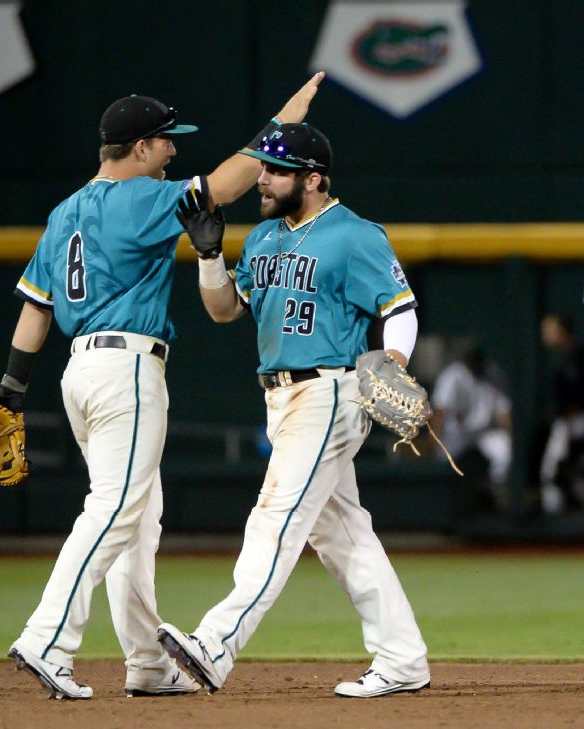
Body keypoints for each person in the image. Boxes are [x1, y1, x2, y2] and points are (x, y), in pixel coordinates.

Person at [1, 76, 324, 700]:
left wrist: (11, 385)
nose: (173, 152)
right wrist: (284, 119)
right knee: (117, 510)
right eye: (166, 142)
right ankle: (48, 636)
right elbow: (228, 183)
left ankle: (147, 665)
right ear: (141, 147)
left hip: (78, 374)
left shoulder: (65, 211)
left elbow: (36, 306)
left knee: (138, 521)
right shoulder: (139, 198)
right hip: (126, 370)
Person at [156, 123, 431, 699]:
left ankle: (215, 641)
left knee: (275, 520)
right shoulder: (262, 238)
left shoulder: (354, 235)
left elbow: (399, 307)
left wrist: (393, 359)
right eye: (263, 167)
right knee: (344, 535)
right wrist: (209, 255)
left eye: (275, 170)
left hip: (330, 392)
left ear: (313, 178)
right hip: (279, 397)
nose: (262, 177)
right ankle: (403, 659)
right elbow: (226, 311)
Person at [539, 313, 584, 513]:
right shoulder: (565, 356)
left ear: (561, 331)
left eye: (549, 329)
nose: (545, 334)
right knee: (563, 471)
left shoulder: (580, 355)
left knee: (567, 470)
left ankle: (559, 516)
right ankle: (556, 514)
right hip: (572, 423)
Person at [431, 345, 513, 506]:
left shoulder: (493, 374)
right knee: (442, 457)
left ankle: (495, 487)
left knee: (506, 450)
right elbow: (440, 411)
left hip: (484, 432)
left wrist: (511, 433)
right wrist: (434, 439)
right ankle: (444, 500)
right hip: (457, 433)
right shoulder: (453, 376)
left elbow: (503, 412)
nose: (473, 363)